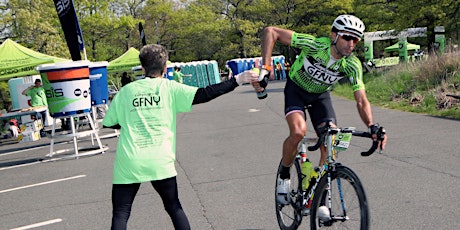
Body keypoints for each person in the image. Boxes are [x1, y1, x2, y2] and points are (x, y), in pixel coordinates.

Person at [102, 44, 258, 230]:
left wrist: (131, 121)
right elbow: (204, 94)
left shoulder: (126, 92)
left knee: (121, 213)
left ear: (142, 68)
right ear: (165, 67)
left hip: (129, 159)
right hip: (160, 160)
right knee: (174, 207)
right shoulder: (170, 88)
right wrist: (237, 80)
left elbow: (110, 122)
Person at [252, 15, 387, 205]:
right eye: (347, 37)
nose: (351, 43)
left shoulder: (352, 64)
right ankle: (284, 173)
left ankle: (318, 191)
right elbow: (271, 31)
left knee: (331, 139)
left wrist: (372, 125)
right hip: (296, 91)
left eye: (355, 39)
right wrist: (265, 68)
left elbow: (361, 99)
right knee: (298, 132)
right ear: (334, 35)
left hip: (319, 97)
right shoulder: (316, 45)